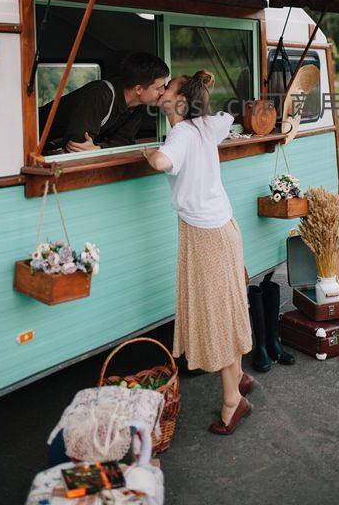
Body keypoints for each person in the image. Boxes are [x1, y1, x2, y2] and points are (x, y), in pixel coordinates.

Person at [141, 71, 254, 435]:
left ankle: (232, 402)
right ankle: (237, 378)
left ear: (180, 102)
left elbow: (161, 163)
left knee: (216, 314)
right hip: (222, 228)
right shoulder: (207, 125)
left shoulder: (180, 134)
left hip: (205, 235)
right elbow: (228, 117)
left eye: (168, 88)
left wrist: (147, 152)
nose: (162, 91)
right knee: (228, 306)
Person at [38, 52, 169, 153]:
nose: (163, 92)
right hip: (33, 144)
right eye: (159, 88)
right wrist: (98, 148)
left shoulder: (137, 105)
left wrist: (99, 149)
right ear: (138, 89)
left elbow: (124, 141)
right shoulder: (99, 95)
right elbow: (77, 147)